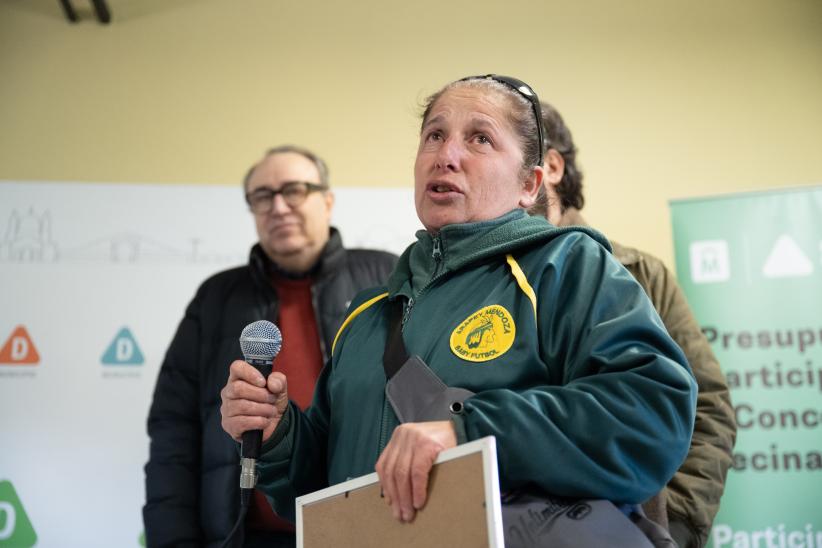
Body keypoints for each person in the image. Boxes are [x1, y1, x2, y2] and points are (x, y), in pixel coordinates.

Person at [220, 76, 697, 540]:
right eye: (434, 135)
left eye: (480, 138)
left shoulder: (567, 266)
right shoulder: (366, 313)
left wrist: (470, 429)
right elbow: (327, 490)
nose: (446, 156)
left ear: (529, 185)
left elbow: (651, 414)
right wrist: (279, 434)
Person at [143, 145, 397, 548]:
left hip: (362, 529)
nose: (278, 207)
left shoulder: (385, 279)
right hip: (245, 533)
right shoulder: (216, 299)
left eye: (295, 190)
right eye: (263, 196)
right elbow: (174, 432)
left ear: (327, 201)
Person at [529, 101, 736, 547]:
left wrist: (673, 523)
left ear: (551, 166)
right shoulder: (487, 283)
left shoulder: (639, 273)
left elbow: (708, 407)